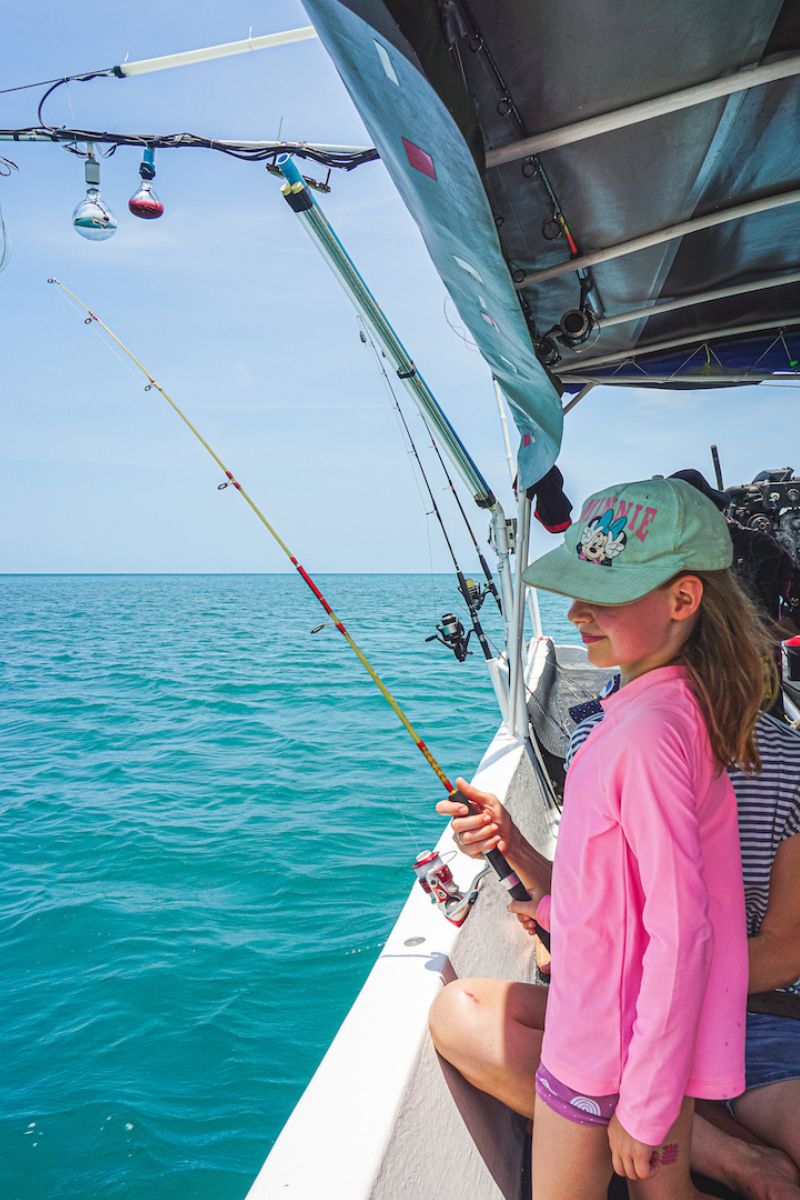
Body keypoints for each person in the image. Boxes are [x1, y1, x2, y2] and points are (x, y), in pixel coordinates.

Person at [429, 476, 780, 1200]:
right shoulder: (680, 707)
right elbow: (631, 899)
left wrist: (646, 1110)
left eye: (605, 592)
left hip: (600, 1048)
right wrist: (557, 913)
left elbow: (681, 931)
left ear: (684, 601)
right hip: (649, 1040)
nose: (576, 609)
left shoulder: (644, 735)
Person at [433, 707, 800, 1199]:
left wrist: (658, 974)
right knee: (463, 1015)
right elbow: (591, 897)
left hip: (757, 1021)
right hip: (632, 1013)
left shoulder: (790, 759)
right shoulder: (596, 736)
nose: (587, 624)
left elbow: (785, 953)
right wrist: (510, 841)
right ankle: (738, 1159)